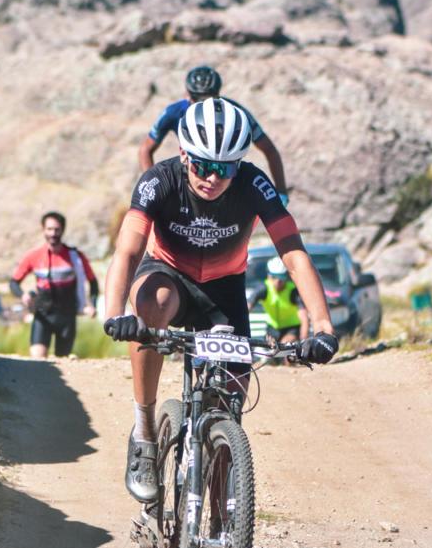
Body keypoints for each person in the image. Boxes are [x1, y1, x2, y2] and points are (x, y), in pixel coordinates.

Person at [104, 97, 337, 503]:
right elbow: (127, 251)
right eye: (203, 165)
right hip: (168, 275)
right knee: (153, 304)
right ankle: (144, 432)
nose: (213, 177)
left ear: (239, 165)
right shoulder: (158, 180)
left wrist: (322, 327)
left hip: (223, 288)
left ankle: (220, 522)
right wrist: (115, 314)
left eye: (225, 168)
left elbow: (294, 255)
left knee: (229, 406)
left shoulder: (254, 184)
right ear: (184, 154)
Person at [138, 64, 288, 199]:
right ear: (187, 95)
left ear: (218, 95)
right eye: (197, 99)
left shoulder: (235, 114)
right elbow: (145, 149)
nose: (203, 104)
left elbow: (269, 150)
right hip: (194, 175)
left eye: (209, 98)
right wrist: (153, 187)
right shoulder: (173, 112)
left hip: (224, 178)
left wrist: (281, 192)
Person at [10, 212, 99, 359]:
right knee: (37, 359)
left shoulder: (75, 257)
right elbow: (14, 283)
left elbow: (93, 282)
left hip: (67, 316)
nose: (53, 233)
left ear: (63, 230)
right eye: (49, 229)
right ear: (43, 230)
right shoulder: (33, 256)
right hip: (43, 315)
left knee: (63, 361)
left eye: (57, 229)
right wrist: (23, 295)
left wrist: (92, 305)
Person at [258, 255, 306, 349]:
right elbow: (247, 306)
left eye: (281, 277)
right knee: (270, 350)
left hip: (292, 328)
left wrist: (303, 339)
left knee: (285, 346)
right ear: (269, 276)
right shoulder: (264, 288)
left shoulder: (293, 291)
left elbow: (304, 317)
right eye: (274, 277)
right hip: (272, 328)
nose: (278, 281)